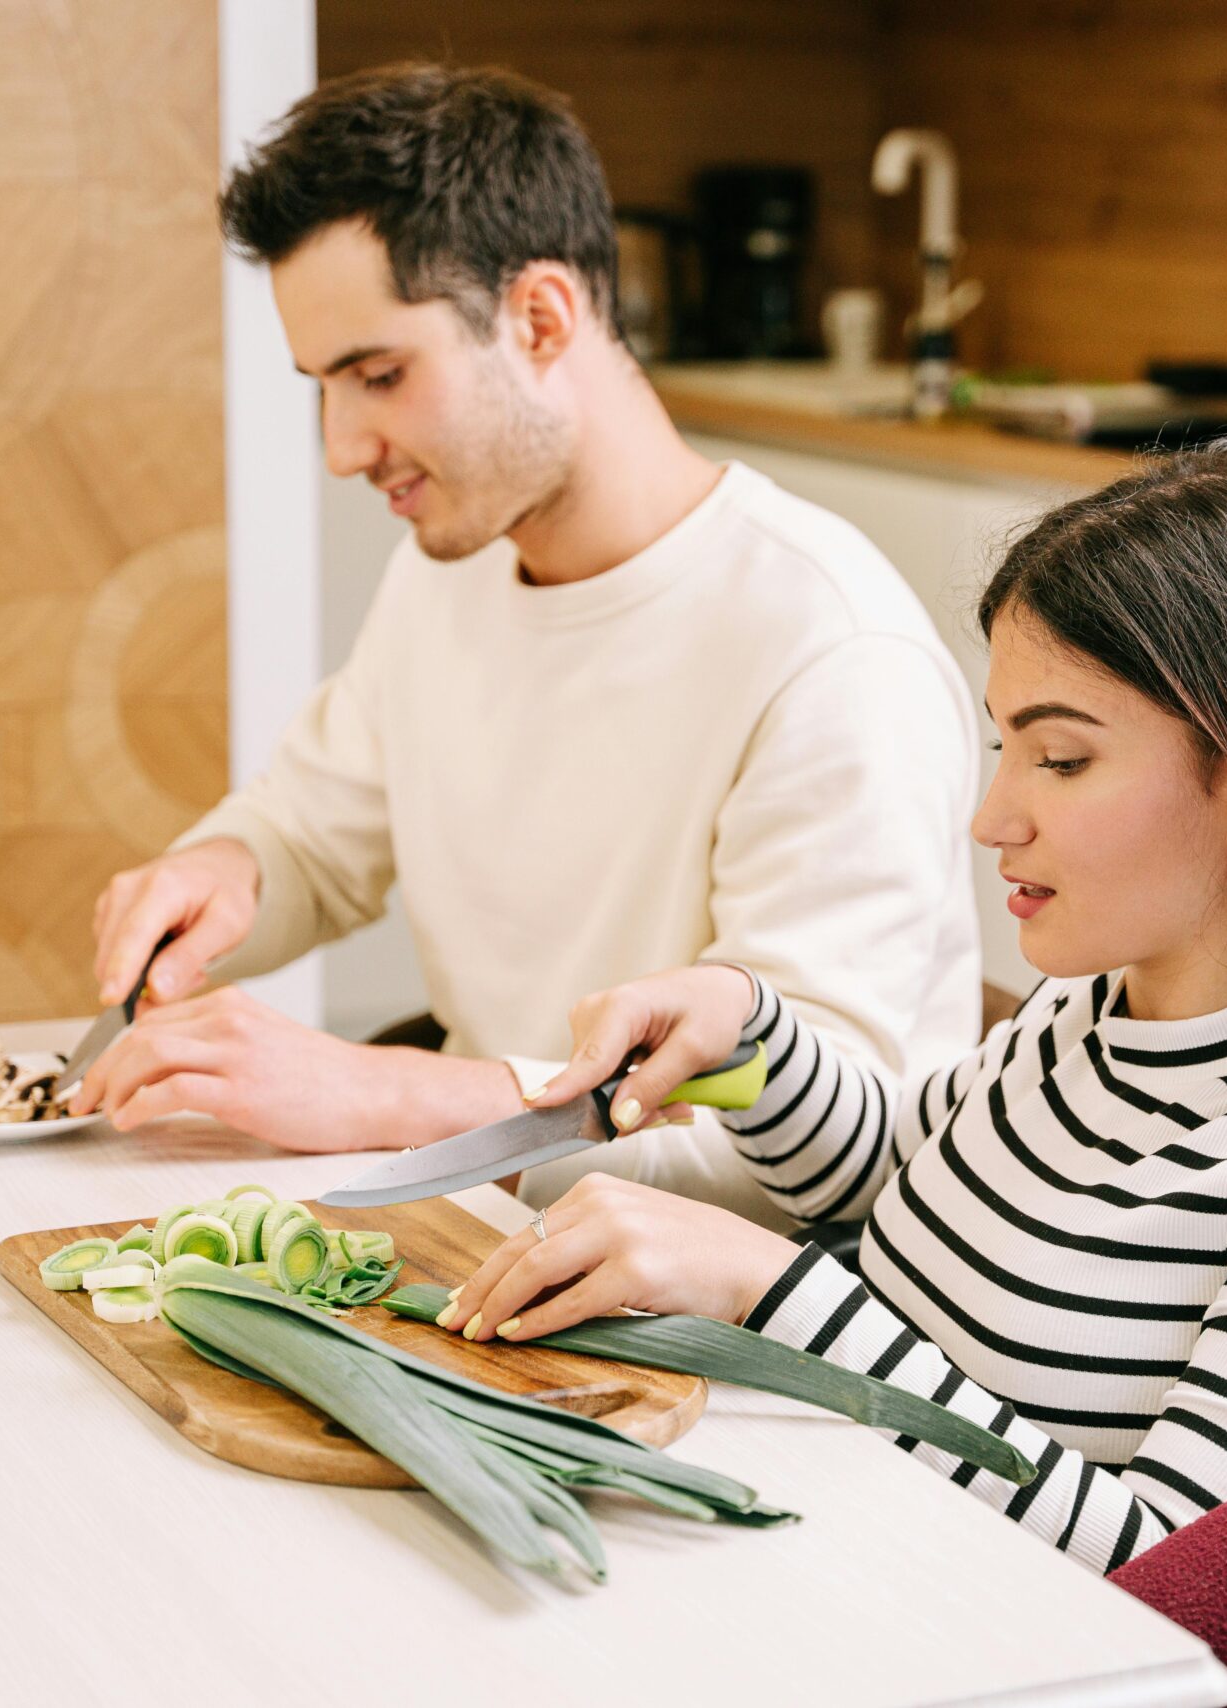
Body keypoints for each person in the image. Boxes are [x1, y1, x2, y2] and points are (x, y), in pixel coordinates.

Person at [438, 443, 1227, 1572]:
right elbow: (890, 1165)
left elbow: (1182, 1572)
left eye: (1062, 759)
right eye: (1002, 745)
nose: (992, 818)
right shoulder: (1090, 1013)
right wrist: (748, 1038)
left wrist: (767, 1287)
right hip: (825, 1557)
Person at [69, 66, 981, 1226]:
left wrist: (377, 1089)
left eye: (379, 375)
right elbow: (312, 833)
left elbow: (790, 1155)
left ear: (541, 319)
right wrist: (224, 870)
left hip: (727, 1318)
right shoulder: (451, 568)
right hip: (484, 1236)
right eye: (322, 388)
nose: (343, 448)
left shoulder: (834, 653)